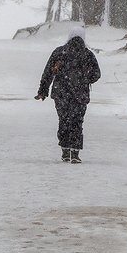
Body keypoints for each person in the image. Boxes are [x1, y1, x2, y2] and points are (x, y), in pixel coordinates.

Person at [34, 26, 101, 163]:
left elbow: (48, 73)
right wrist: (85, 79)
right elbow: (97, 74)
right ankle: (75, 153)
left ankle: (65, 150)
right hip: (80, 94)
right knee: (77, 122)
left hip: (61, 93)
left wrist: (43, 91)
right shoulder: (88, 55)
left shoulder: (59, 52)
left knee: (64, 120)